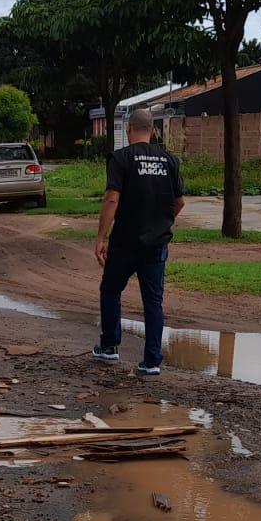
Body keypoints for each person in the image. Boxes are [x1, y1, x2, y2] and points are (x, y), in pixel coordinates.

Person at [92, 108, 185, 376]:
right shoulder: (169, 160)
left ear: (129, 129)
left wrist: (101, 237)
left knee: (111, 290)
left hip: (125, 242)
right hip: (156, 244)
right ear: (153, 131)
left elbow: (112, 198)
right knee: (153, 301)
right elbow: (179, 202)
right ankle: (152, 362)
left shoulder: (121, 159)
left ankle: (109, 346)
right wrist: (162, 221)